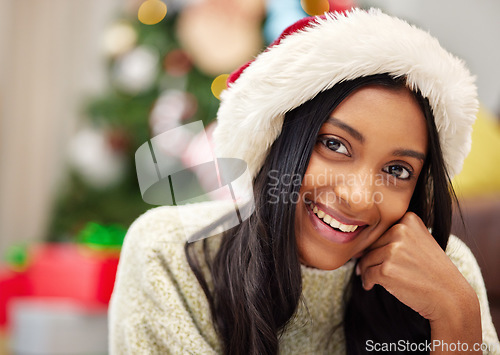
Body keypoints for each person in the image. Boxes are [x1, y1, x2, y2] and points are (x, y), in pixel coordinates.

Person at [108, 9, 500, 354]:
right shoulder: (172, 254)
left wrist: (456, 318)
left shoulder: (447, 274)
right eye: (334, 145)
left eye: (397, 170)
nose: (359, 197)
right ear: (278, 137)